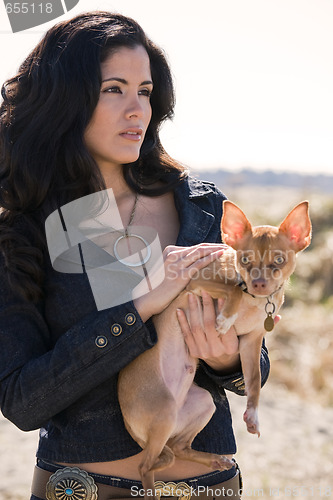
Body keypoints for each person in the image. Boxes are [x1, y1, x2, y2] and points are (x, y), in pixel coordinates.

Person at [0, 11, 270, 500]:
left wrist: (227, 354)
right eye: (113, 89)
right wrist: (140, 307)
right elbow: (23, 400)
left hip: (212, 488)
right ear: (67, 99)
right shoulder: (26, 227)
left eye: (144, 91)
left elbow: (255, 354)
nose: (136, 110)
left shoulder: (201, 206)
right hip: (84, 490)